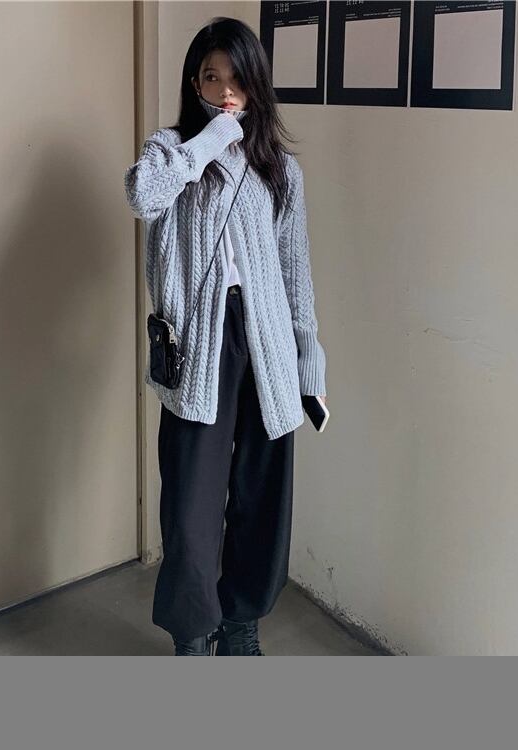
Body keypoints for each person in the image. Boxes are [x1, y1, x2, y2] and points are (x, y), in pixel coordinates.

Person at [124, 17, 328, 655]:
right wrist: (211, 139)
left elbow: (295, 273)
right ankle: (193, 633)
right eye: (212, 77)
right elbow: (142, 196)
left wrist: (309, 367)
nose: (226, 91)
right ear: (195, 83)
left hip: (267, 344)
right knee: (191, 506)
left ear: (256, 83)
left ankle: (241, 624)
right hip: (198, 347)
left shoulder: (279, 169)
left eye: (237, 78)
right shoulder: (173, 151)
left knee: (262, 500)